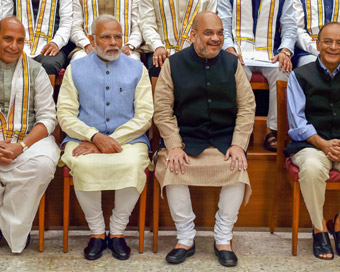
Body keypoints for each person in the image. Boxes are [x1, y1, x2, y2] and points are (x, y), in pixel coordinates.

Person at [154, 11, 255, 267]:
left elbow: (247, 106)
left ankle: (223, 237)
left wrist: (238, 144)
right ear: (193, 35)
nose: (216, 38)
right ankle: (185, 238)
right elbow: (163, 110)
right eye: (208, 33)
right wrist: (174, 146)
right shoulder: (173, 64)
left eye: (220, 33)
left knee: (237, 166)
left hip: (224, 140)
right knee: (172, 165)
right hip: (186, 141)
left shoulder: (232, 64)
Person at [57, 14, 153, 261]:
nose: (113, 42)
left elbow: (144, 115)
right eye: (106, 37)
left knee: (132, 164)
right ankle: (98, 232)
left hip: (129, 139)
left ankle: (118, 232)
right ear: (92, 39)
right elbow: (65, 115)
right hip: (83, 139)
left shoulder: (137, 68)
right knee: (82, 164)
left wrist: (112, 140)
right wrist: (94, 136)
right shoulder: (75, 69)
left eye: (118, 36)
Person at [0, 17, 59, 253]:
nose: (14, 46)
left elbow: (47, 118)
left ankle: (13, 230)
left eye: (20, 41)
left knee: (43, 165)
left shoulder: (36, 71)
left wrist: (20, 147)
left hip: (27, 143)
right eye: (7, 39)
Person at [285, 22, 340, 260]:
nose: (333, 47)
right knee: (312, 168)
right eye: (327, 41)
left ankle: (338, 223)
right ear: (317, 44)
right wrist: (323, 144)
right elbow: (297, 122)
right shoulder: (299, 75)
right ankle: (319, 230)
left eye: (339, 43)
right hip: (311, 144)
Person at [217, 0, 297, 152]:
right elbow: (223, 24)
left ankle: (273, 130)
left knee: (283, 71)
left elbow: (290, 26)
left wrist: (285, 51)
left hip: (271, 53)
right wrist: (229, 49)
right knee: (234, 72)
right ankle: (242, 129)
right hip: (238, 53)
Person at [138, 0, 217, 77]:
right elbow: (146, 24)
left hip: (196, 50)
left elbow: (209, 24)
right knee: (158, 64)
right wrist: (158, 46)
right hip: (162, 50)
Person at [1, 0, 72, 75]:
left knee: (49, 65)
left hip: (51, 43)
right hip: (17, 42)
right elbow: (5, 20)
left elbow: (66, 23)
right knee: (8, 60)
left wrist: (56, 43)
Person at [70, 0, 143, 61]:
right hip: (88, 48)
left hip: (125, 48)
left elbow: (138, 27)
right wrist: (86, 45)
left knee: (132, 64)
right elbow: (75, 27)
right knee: (79, 62)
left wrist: (130, 45)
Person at [293, 0, 340, 67]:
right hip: (307, 52)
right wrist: (318, 49)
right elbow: (297, 29)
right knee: (315, 66)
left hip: (337, 50)